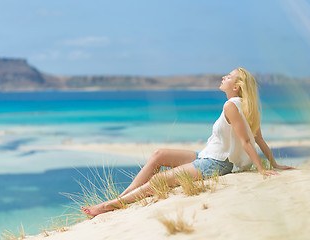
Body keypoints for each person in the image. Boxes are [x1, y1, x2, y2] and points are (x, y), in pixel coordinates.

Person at [81, 68, 294, 216]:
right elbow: (259, 138)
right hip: (206, 155)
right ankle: (123, 197)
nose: (223, 77)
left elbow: (248, 140)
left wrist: (262, 169)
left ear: (237, 86)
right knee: (158, 155)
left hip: (217, 163)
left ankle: (112, 205)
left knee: (159, 180)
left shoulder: (231, 106)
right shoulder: (245, 105)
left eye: (228, 77)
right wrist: (273, 163)